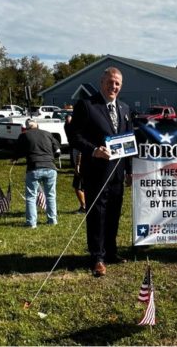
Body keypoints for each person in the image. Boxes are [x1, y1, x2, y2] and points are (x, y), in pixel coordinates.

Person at [68, 67, 132, 277]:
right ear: (101, 82)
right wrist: (94, 151)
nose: (113, 86)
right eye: (110, 82)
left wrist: (129, 170)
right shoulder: (86, 106)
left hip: (117, 174)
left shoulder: (124, 108)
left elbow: (128, 141)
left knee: (113, 214)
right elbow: (75, 136)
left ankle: (111, 252)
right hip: (96, 173)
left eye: (117, 83)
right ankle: (97, 257)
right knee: (97, 215)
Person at [10, 119, 61, 228]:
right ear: (37, 126)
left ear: (26, 127)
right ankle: (52, 220)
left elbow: (19, 150)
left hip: (34, 167)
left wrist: (15, 158)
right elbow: (57, 151)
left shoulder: (24, 135)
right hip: (50, 167)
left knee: (31, 196)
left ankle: (32, 223)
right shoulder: (48, 134)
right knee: (51, 195)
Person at [64, 114, 86, 214]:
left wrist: (77, 165)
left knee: (78, 186)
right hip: (81, 162)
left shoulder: (79, 135)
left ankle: (84, 206)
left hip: (82, 164)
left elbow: (80, 151)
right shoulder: (72, 132)